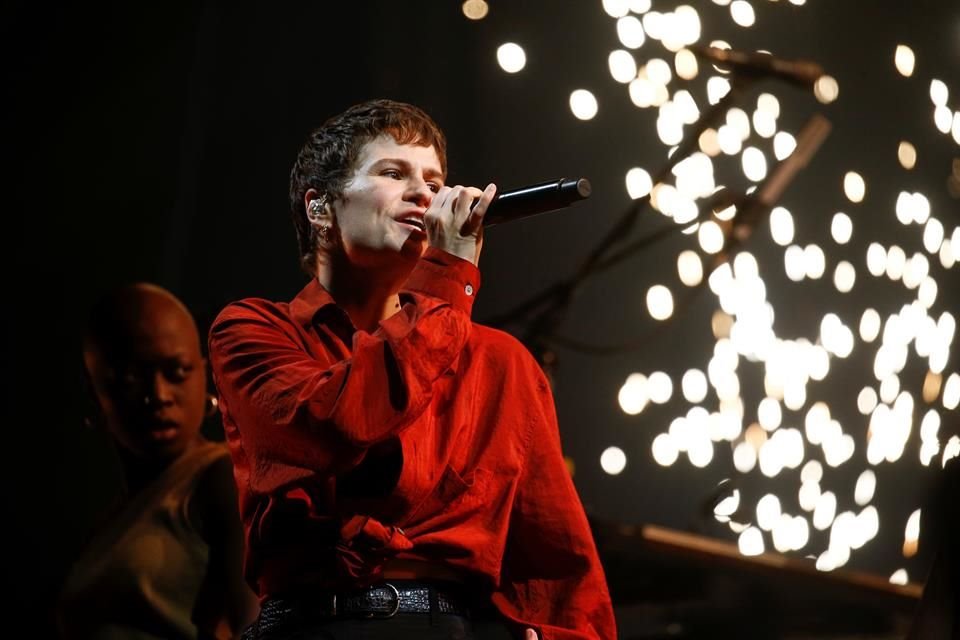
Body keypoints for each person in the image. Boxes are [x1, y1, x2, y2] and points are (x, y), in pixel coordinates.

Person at [208, 99, 617, 639]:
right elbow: (335, 425)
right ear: (319, 207)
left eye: (435, 180)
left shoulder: (499, 362)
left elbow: (558, 564)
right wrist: (446, 275)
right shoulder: (253, 331)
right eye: (393, 173)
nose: (425, 194)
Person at [58, 283, 259, 639]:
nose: (159, 395)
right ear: (96, 391)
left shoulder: (220, 478)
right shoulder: (114, 517)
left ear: (205, 375)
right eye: (132, 377)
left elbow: (255, 625)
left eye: (177, 372)